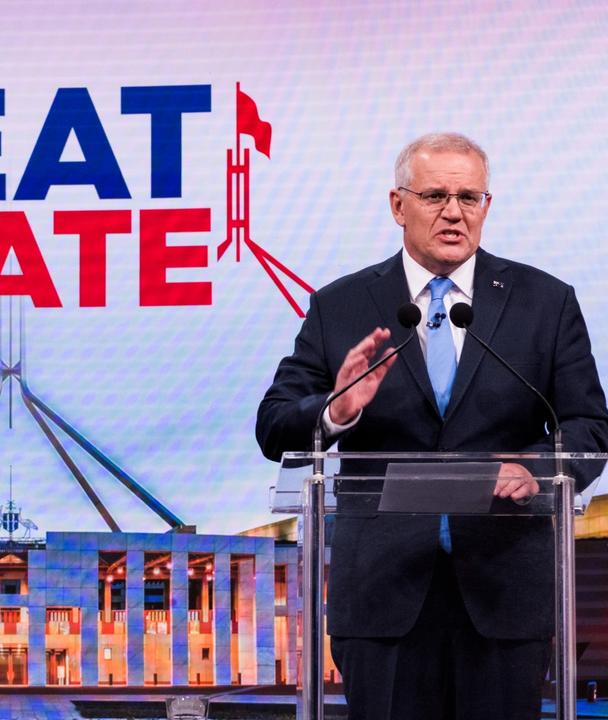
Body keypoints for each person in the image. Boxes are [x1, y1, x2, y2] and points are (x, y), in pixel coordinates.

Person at [256, 132, 608, 719]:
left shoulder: (544, 302)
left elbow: (588, 426)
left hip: (503, 595)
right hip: (383, 596)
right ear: (398, 205)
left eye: (469, 197)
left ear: (487, 207)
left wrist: (537, 465)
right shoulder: (340, 306)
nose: (454, 212)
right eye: (436, 195)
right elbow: (274, 425)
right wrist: (336, 411)